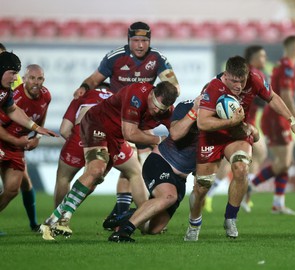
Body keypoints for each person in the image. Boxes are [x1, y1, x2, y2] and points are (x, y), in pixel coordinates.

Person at [184, 56, 295, 241]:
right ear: (226, 75)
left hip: (237, 133)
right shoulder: (213, 88)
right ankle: (194, 223)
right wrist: (231, 121)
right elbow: (203, 122)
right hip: (212, 136)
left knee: (241, 168)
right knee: (201, 187)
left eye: (242, 80)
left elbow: (272, 97)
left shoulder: (255, 79)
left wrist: (292, 121)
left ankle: (231, 217)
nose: (239, 85)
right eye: (234, 80)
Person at [40, 81, 179, 241]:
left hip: (115, 139)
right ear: (152, 93)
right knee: (95, 170)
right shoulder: (136, 94)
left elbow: (176, 136)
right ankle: (58, 219)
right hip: (97, 123)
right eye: (155, 104)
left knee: (94, 180)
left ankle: (56, 218)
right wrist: (159, 139)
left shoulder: (166, 112)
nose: (156, 110)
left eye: (161, 109)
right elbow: (130, 134)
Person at [72, 21, 180, 221]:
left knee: (136, 166)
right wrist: (83, 88)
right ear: (129, 40)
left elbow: (174, 86)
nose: (140, 45)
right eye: (136, 40)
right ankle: (124, 211)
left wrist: (169, 94)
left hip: (141, 117)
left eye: (144, 41)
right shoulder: (115, 57)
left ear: (149, 41)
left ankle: (123, 210)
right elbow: (95, 78)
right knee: (128, 166)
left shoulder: (157, 59)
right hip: (118, 118)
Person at [108, 96, 201, 242]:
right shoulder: (186, 107)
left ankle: (124, 216)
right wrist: (195, 111)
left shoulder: (218, 122)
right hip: (161, 162)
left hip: (181, 179)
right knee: (168, 196)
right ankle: (122, 232)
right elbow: (175, 133)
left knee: (152, 229)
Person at [204, 45, 269, 213]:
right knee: (231, 163)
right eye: (261, 56)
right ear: (253, 58)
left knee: (257, 155)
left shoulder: (251, 75)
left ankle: (246, 196)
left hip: (248, 123)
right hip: (238, 124)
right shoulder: (251, 76)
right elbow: (262, 100)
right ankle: (211, 196)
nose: (264, 59)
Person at [251, 35, 295, 216]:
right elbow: (286, 96)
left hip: (278, 118)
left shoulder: (285, 66)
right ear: (293, 48)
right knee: (283, 162)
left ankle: (278, 204)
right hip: (276, 118)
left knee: (286, 163)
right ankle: (250, 186)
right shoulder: (287, 68)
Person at [0, 63, 56, 225]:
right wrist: (17, 140)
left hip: (18, 146)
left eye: (39, 79)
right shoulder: (13, 97)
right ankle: (33, 223)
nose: (36, 82)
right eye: (32, 78)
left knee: (11, 190)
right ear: (23, 79)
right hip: (3, 141)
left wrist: (37, 136)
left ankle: (33, 223)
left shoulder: (46, 95)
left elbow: (41, 117)